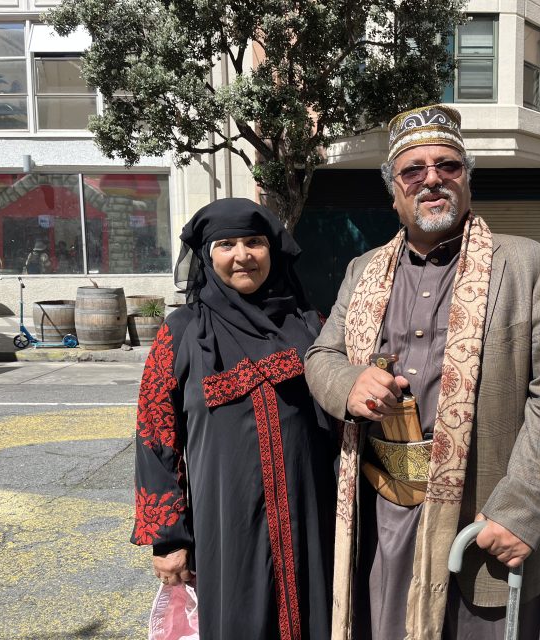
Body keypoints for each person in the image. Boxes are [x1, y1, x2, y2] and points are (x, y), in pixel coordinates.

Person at [304, 105, 540, 639]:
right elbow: (321, 357)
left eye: (447, 166)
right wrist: (350, 384)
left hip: (485, 517)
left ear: (467, 180)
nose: (431, 178)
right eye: (413, 170)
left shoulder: (528, 266)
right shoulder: (363, 271)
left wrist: (520, 512)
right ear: (395, 192)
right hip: (386, 515)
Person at [131, 198, 336, 638]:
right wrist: (169, 538)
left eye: (254, 242)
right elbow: (155, 436)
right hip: (227, 523)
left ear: (272, 250)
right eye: (226, 244)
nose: (242, 255)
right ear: (207, 256)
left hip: (312, 517)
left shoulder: (311, 324)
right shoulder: (182, 332)